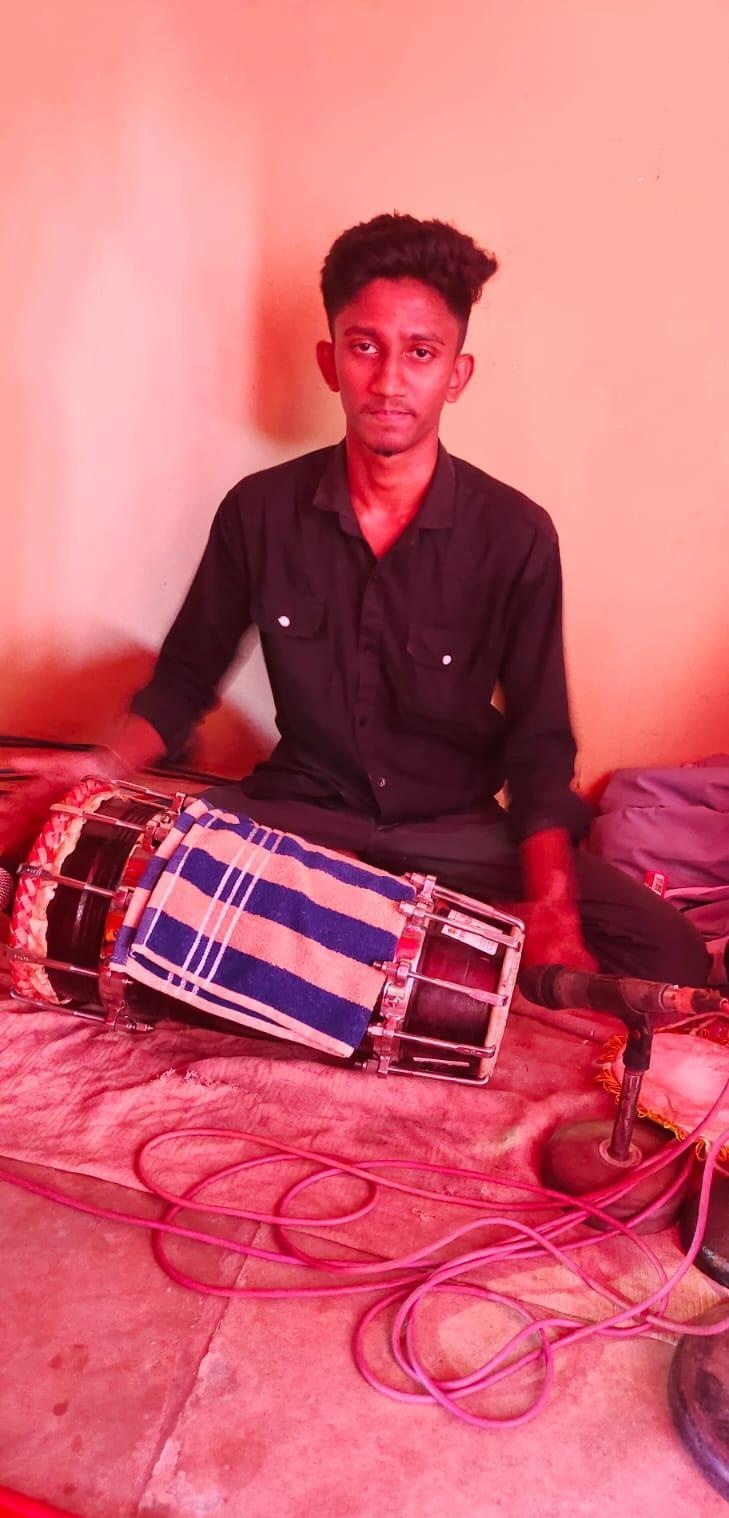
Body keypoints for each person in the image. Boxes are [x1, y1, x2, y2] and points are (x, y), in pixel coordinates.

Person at [1, 213, 709, 984]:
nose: (389, 381)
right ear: (329, 360)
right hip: (298, 813)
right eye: (364, 346)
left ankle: (362, 933)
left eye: (421, 353)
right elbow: (183, 682)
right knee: (88, 882)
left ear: (457, 374)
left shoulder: (515, 534)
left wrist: (553, 907)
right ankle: (389, 937)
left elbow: (540, 747)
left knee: (665, 953)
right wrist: (98, 770)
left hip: (454, 829)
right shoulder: (259, 510)